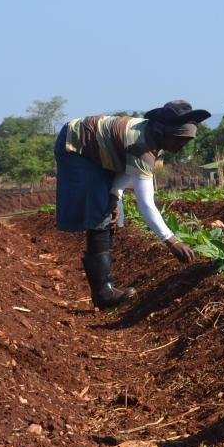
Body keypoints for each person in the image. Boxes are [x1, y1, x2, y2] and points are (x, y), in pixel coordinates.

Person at [53, 100, 205, 308]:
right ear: (164, 132)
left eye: (186, 142)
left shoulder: (152, 139)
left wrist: (114, 195)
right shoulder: (142, 146)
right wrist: (171, 240)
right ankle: (103, 293)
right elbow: (146, 203)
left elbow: (126, 166)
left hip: (97, 149)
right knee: (101, 212)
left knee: (110, 211)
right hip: (77, 145)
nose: (181, 147)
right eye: (179, 140)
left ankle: (105, 289)